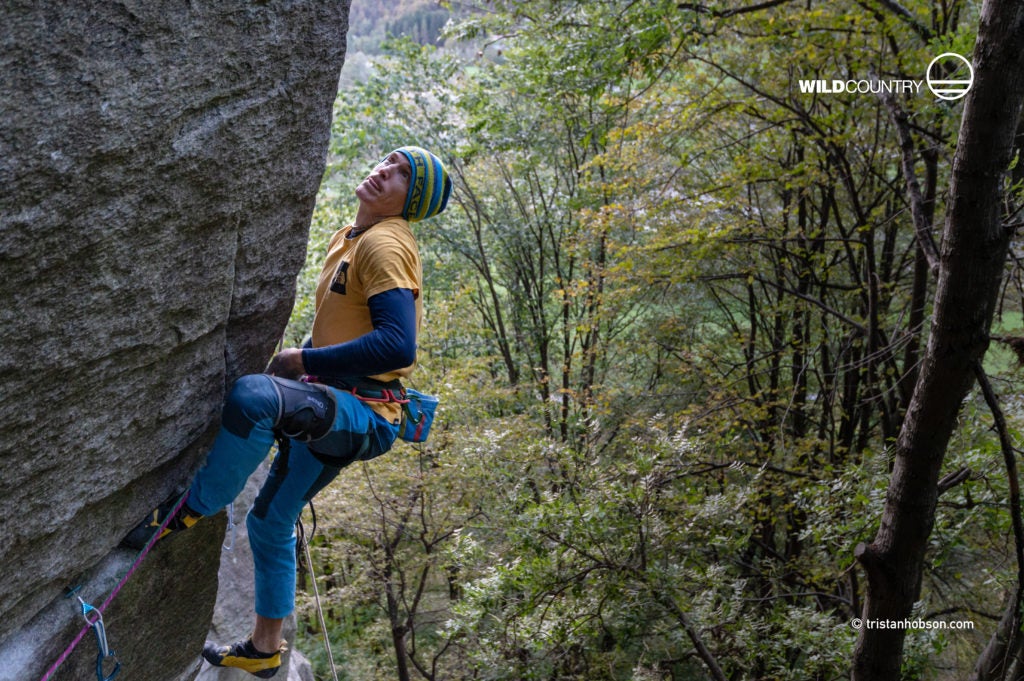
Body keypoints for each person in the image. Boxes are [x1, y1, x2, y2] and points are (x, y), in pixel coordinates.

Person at [122, 146, 452, 678]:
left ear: (407, 201)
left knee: (255, 398)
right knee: (271, 521)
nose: (386, 170)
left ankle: (189, 510)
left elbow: (398, 347)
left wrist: (302, 359)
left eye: (402, 175)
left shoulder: (387, 243)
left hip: (361, 413)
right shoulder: (352, 237)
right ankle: (266, 651)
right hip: (343, 405)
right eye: (390, 160)